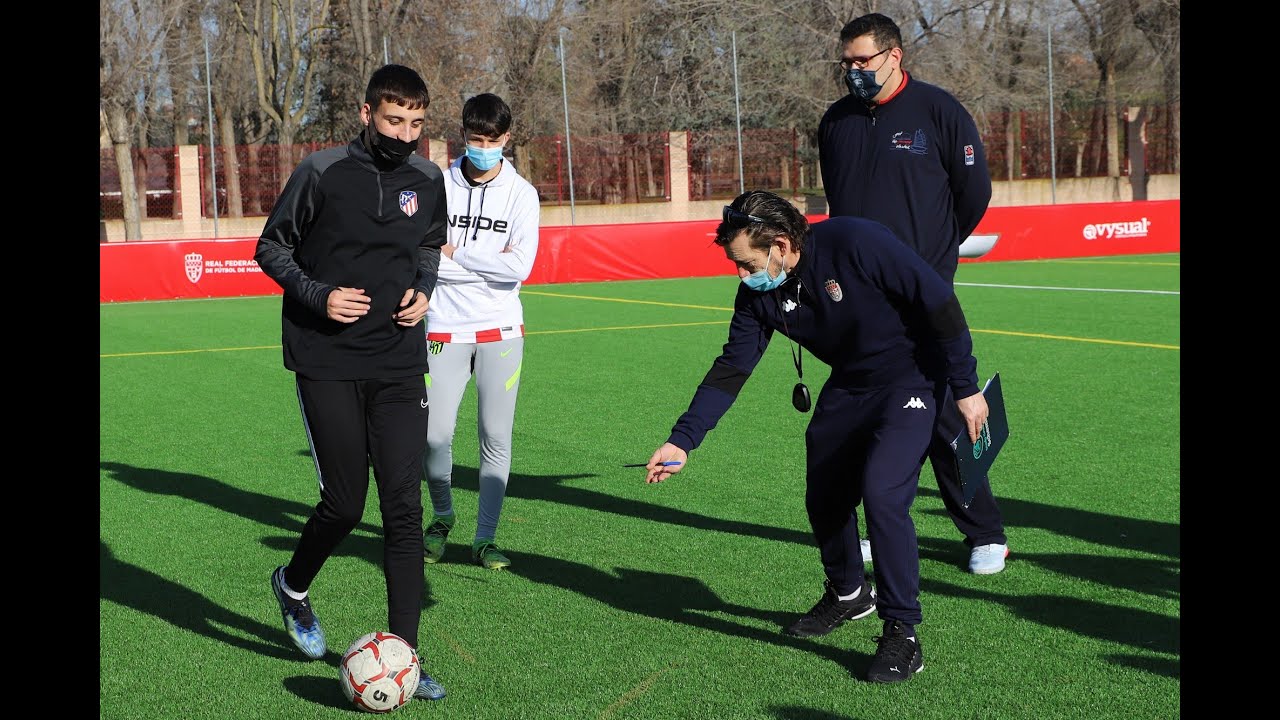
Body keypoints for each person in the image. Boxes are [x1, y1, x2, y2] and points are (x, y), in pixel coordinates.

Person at [643, 190, 989, 684]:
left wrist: (966, 386)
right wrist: (683, 440)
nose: (741, 275)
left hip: (913, 377)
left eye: (746, 263)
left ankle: (902, 633)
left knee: (883, 494)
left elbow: (937, 301)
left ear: (781, 245)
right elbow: (732, 368)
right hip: (850, 383)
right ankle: (849, 593)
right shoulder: (757, 296)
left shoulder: (856, 241)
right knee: (824, 493)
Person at [253, 64, 448, 701]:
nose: (406, 134)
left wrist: (423, 290)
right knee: (344, 504)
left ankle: (406, 657)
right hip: (326, 358)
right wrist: (319, 295)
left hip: (398, 359)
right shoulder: (322, 171)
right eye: (395, 121)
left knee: (403, 509)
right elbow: (271, 247)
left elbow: (429, 245)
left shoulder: (428, 178)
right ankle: (294, 586)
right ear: (366, 115)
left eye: (417, 123)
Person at [818, 12, 1009, 575]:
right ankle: (874, 528)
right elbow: (839, 205)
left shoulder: (939, 111)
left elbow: (972, 195)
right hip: (857, 294)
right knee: (860, 407)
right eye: (847, 62)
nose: (854, 71)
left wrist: (934, 257)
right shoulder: (836, 121)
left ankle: (986, 531)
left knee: (945, 409)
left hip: (923, 288)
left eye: (863, 61)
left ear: (894, 56)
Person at [420, 93, 540, 570]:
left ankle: (485, 538)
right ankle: (442, 517)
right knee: (433, 436)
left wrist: (459, 256)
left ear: (505, 140)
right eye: (476, 140)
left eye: (493, 141)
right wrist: (467, 264)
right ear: (463, 137)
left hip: (501, 330)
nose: (484, 147)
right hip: (444, 327)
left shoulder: (522, 194)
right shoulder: (436, 184)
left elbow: (519, 268)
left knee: (495, 435)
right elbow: (424, 254)